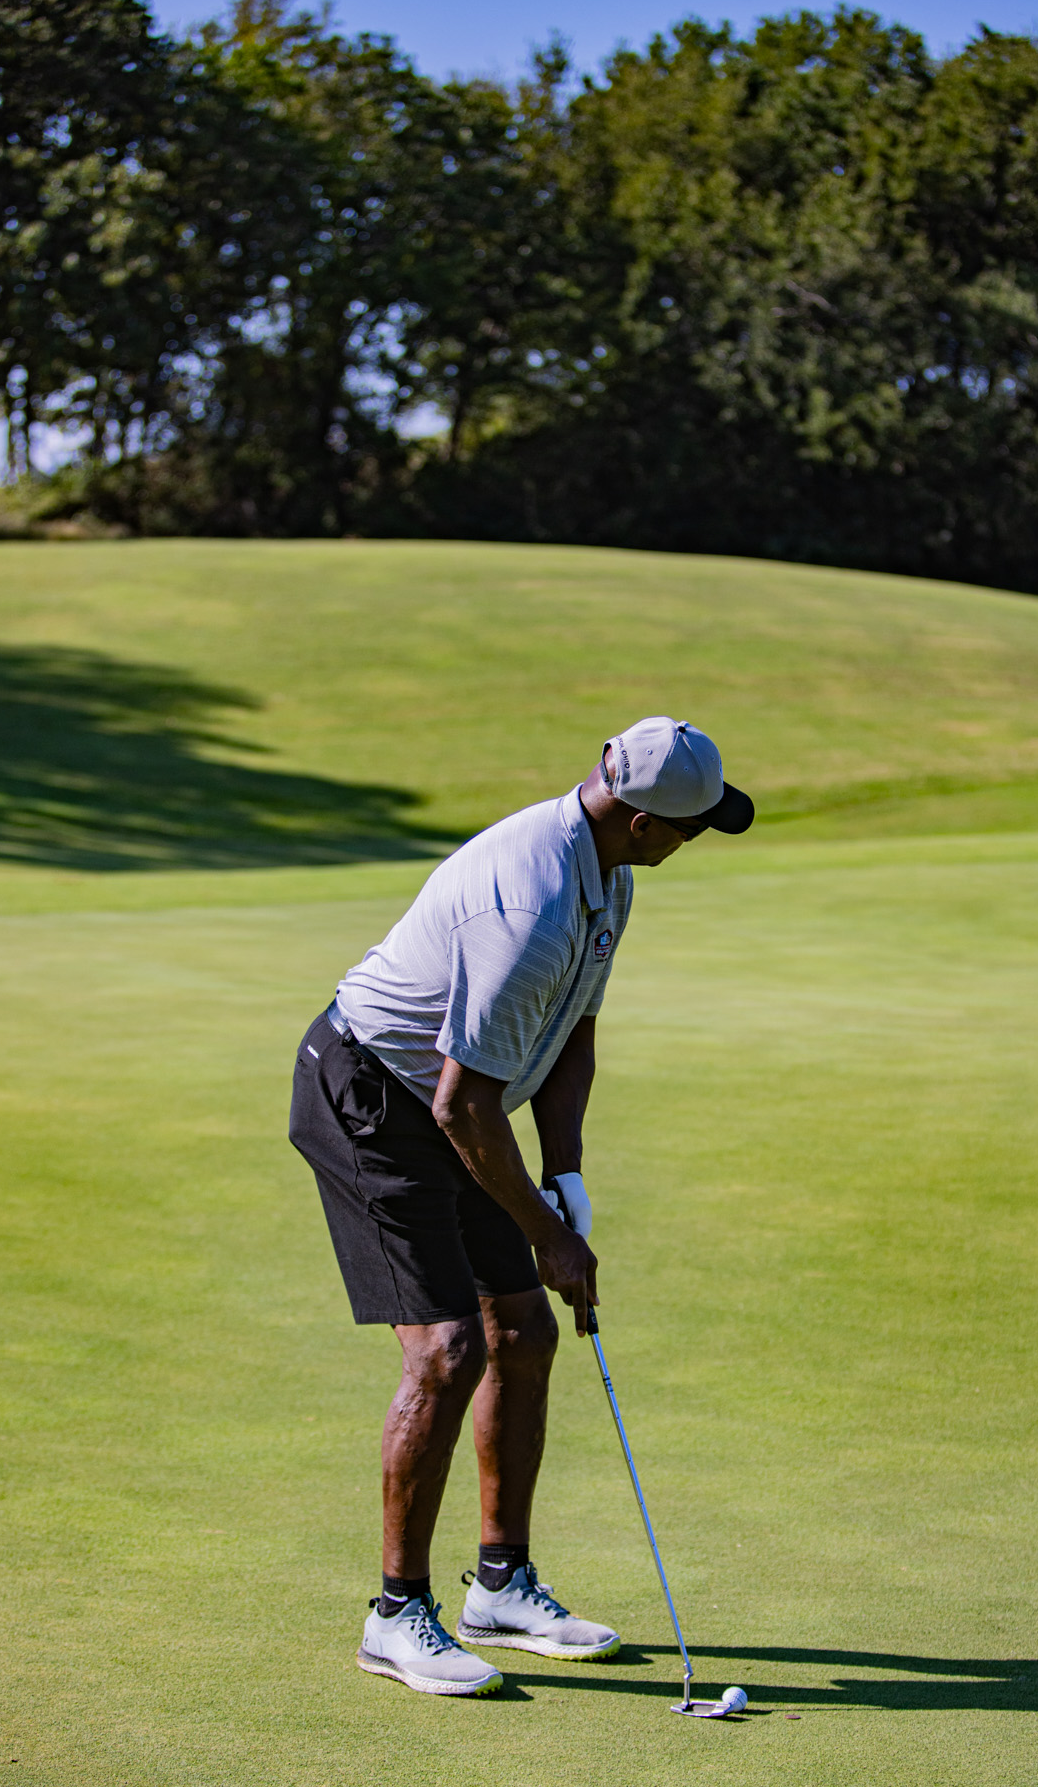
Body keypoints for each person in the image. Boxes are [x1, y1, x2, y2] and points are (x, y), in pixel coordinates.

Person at [289, 717, 754, 1697]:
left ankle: (499, 1587)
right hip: (374, 1096)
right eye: (689, 827)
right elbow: (460, 1104)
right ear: (640, 819)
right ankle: (395, 1615)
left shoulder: (610, 875)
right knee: (447, 1350)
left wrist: (565, 1175)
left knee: (524, 1333)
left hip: (454, 1102)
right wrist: (548, 1237)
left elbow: (573, 1034)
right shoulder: (530, 903)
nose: (692, 841)